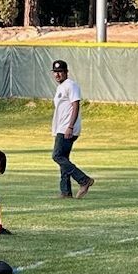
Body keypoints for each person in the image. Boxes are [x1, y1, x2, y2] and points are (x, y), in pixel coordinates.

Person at [50, 59, 94, 199]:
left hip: (67, 128)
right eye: (55, 72)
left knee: (57, 156)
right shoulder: (60, 87)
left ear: (66, 72)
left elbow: (76, 105)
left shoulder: (71, 85)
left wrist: (70, 126)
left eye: (60, 72)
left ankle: (84, 180)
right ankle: (65, 192)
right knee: (64, 159)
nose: (57, 75)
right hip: (61, 128)